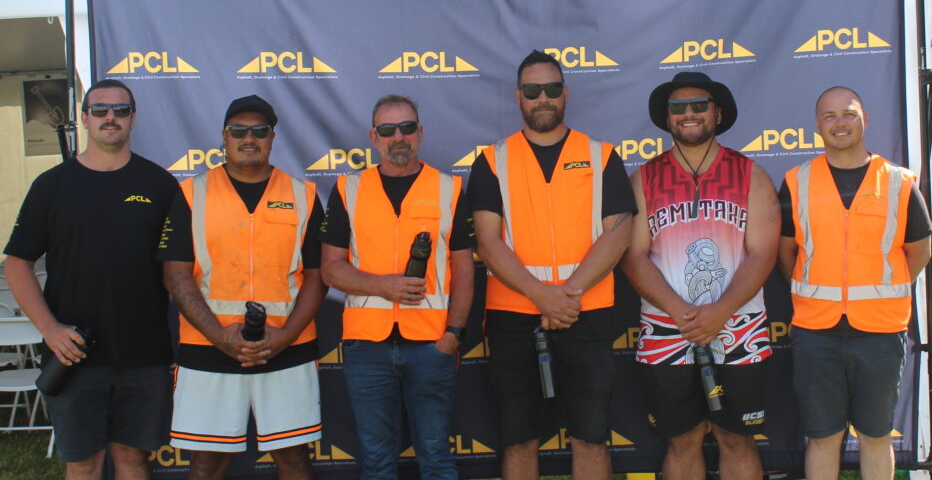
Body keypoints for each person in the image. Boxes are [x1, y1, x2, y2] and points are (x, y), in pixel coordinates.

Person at [468, 50, 635, 480]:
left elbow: (618, 233)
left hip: (587, 313)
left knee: (591, 435)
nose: (543, 98)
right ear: (518, 96)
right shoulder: (492, 160)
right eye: (532, 90)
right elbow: (487, 241)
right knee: (519, 438)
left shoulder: (601, 155)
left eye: (552, 88)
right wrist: (542, 295)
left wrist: (567, 296)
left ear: (565, 93)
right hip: (513, 317)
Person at [3, 79, 179, 479]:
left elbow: (179, 272)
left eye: (120, 109)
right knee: (83, 464)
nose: (110, 117)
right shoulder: (51, 186)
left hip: (144, 353)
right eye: (99, 110)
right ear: (84, 118)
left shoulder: (160, 185)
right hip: (73, 353)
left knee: (134, 459)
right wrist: (49, 330)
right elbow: (17, 262)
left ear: (134, 118)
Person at [620, 71, 780, 480]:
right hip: (666, 328)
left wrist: (720, 311)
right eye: (678, 108)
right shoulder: (644, 178)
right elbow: (633, 256)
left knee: (736, 439)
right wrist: (680, 311)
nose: (688, 114)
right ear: (667, 118)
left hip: (739, 326)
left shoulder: (751, 175)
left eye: (698, 105)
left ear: (718, 113)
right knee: (681, 440)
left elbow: (763, 253)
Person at [159, 95, 325, 480]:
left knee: (294, 458)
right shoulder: (191, 193)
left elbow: (318, 276)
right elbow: (176, 275)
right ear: (224, 136)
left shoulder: (303, 195)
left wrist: (284, 337)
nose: (249, 138)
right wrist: (220, 336)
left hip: (286, 346)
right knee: (206, 464)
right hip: (208, 347)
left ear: (272, 137)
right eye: (239, 130)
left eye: (260, 130)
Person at [777, 86, 931, 480]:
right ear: (816, 125)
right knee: (823, 437)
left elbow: (919, 253)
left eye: (848, 113)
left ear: (865, 119)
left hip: (880, 332)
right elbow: (786, 253)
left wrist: (878, 292)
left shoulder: (898, 182)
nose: (839, 123)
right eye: (829, 116)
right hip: (816, 331)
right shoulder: (797, 181)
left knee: (876, 436)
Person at [320, 94, 474, 479]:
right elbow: (331, 270)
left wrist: (453, 335)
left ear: (420, 133)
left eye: (407, 127)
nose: (398, 137)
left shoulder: (449, 188)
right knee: (376, 461)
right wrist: (382, 286)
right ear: (374, 137)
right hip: (367, 348)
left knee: (437, 456)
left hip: (431, 346)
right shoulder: (348, 189)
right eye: (388, 130)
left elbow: (465, 270)